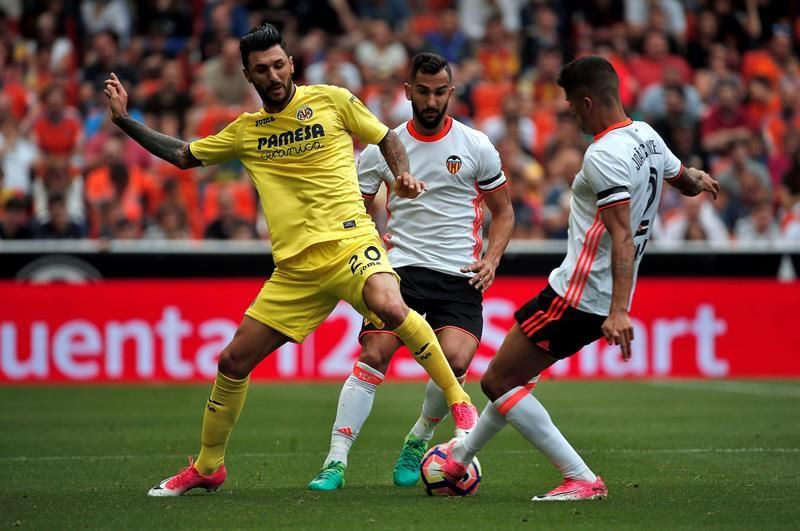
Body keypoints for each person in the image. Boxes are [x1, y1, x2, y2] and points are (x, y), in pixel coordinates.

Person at [103, 23, 478, 497]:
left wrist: (401, 175)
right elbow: (182, 155)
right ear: (248, 75)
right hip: (296, 271)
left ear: (292, 64)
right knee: (233, 360)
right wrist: (123, 121)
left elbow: (387, 138)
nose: (273, 74)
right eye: (262, 69)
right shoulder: (246, 131)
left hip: (350, 245)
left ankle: (459, 401)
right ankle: (208, 465)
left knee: (389, 304)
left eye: (279, 64)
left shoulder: (334, 101)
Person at [442, 56, 719, 501]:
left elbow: (622, 235)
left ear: (588, 102)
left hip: (577, 295)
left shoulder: (603, 154)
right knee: (515, 379)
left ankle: (581, 478)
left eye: (572, 104)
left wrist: (619, 311)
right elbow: (682, 179)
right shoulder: (646, 135)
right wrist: (699, 179)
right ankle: (458, 461)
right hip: (592, 296)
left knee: (497, 382)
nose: (571, 112)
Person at [307, 53, 515, 491]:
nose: (431, 100)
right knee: (374, 356)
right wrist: (366, 254)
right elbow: (354, 211)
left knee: (455, 362)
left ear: (451, 93)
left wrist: (492, 258)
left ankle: (418, 439)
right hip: (399, 271)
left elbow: (504, 211)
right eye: (423, 91)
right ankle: (335, 461)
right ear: (408, 91)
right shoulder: (383, 148)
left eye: (440, 92)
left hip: (460, 275)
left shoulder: (476, 145)